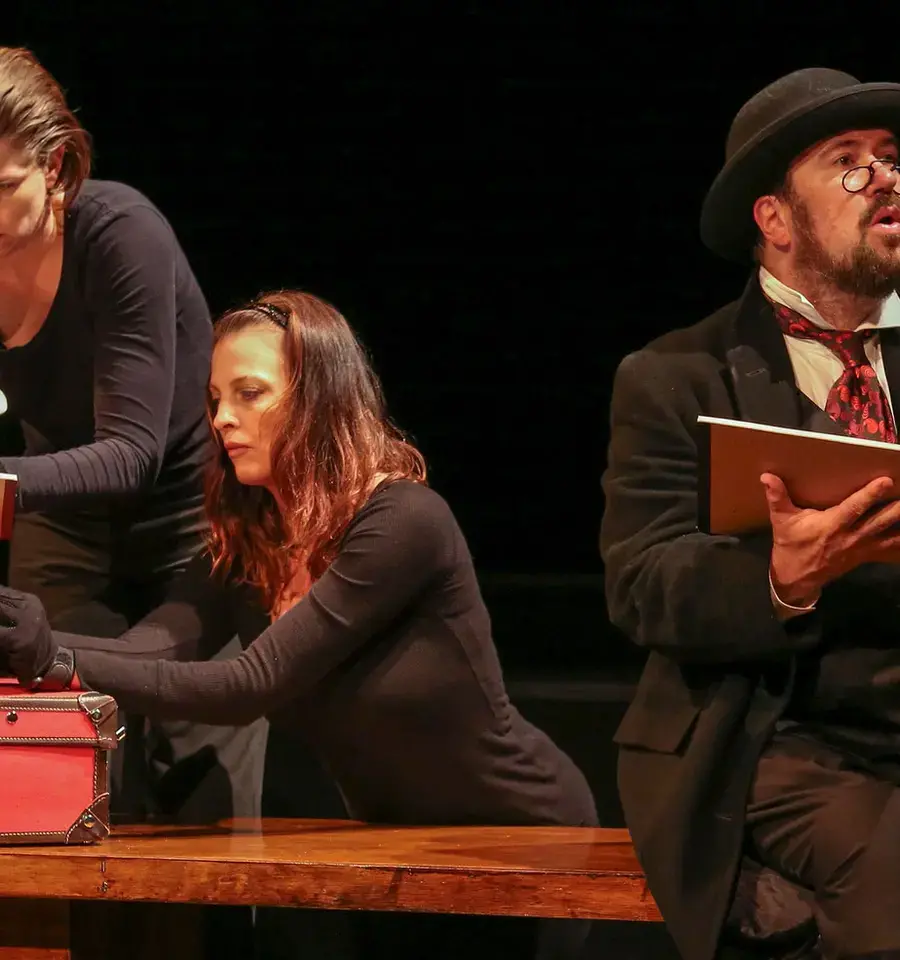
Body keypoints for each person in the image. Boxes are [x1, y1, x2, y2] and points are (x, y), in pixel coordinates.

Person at [0, 288, 597, 958]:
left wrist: (55, 658)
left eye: (250, 393)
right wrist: (22, 637)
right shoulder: (246, 541)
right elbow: (151, 648)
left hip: (522, 833)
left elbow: (249, 684)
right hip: (394, 847)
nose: (223, 418)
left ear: (319, 397)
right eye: (215, 399)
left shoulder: (401, 521)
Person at [599, 68, 900, 960]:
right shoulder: (675, 376)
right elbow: (642, 584)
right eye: (847, 163)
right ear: (773, 220)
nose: (884, 177)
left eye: (892, 158)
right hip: (771, 737)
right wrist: (781, 578)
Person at [0, 46, 268, 956]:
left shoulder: (120, 233)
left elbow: (132, 453)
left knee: (197, 811)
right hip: (66, 530)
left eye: (2, 185)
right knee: (50, 778)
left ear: (57, 166)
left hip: (189, 522)